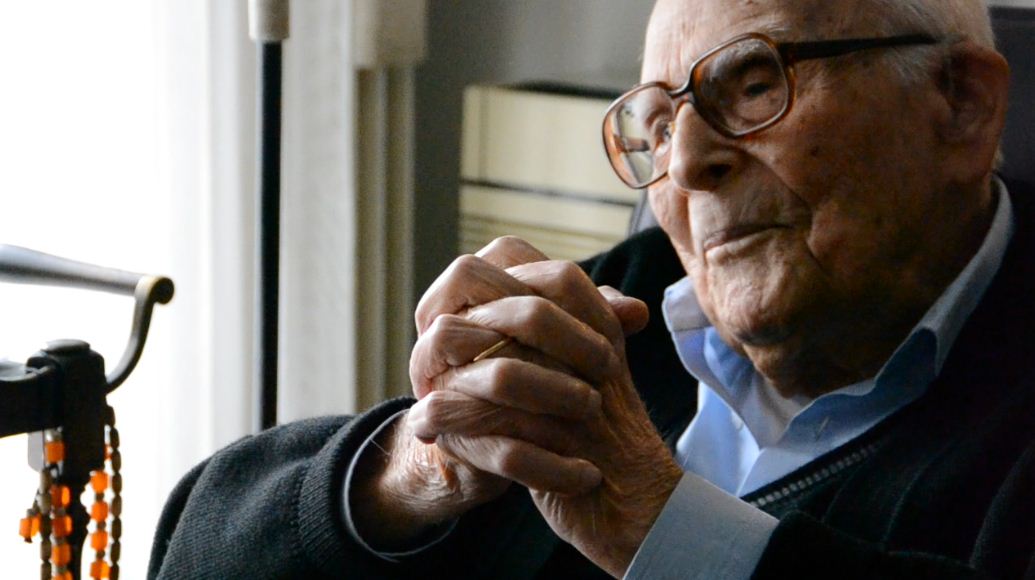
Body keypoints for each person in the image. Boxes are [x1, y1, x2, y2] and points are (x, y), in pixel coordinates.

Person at [147, 0, 1035, 578]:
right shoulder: (621, 306)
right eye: (660, 124)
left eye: (756, 83)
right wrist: (414, 471)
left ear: (960, 104)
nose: (685, 163)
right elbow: (193, 555)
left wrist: (657, 520)